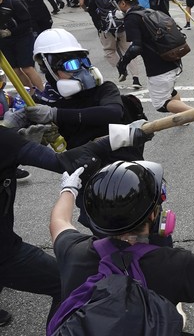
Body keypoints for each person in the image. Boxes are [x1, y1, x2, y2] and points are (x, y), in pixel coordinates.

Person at [49, 160, 194, 333]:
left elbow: (59, 222)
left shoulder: (72, 251)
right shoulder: (180, 265)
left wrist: (69, 189)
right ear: (153, 215)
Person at [0, 108, 148, 327]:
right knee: (68, 283)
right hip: (4, 252)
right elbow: (65, 162)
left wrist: (10, 135)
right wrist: (119, 138)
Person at [110, 0, 194, 134]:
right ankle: (183, 118)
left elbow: (136, 47)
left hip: (158, 67)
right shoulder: (146, 11)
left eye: (115, 2)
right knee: (170, 91)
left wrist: (122, 63)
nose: (115, 6)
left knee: (161, 104)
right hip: (172, 60)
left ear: (122, 2)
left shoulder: (131, 18)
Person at [87, 0, 143, 89]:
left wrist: (99, 25)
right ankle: (136, 78)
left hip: (106, 28)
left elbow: (91, 9)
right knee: (129, 50)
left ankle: (121, 69)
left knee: (109, 51)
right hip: (123, 24)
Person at [0, 0, 45, 92]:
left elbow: (28, 22)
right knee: (14, 70)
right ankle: (31, 92)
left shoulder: (13, 1)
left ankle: (42, 90)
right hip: (4, 41)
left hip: (22, 37)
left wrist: (11, 31)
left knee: (27, 68)